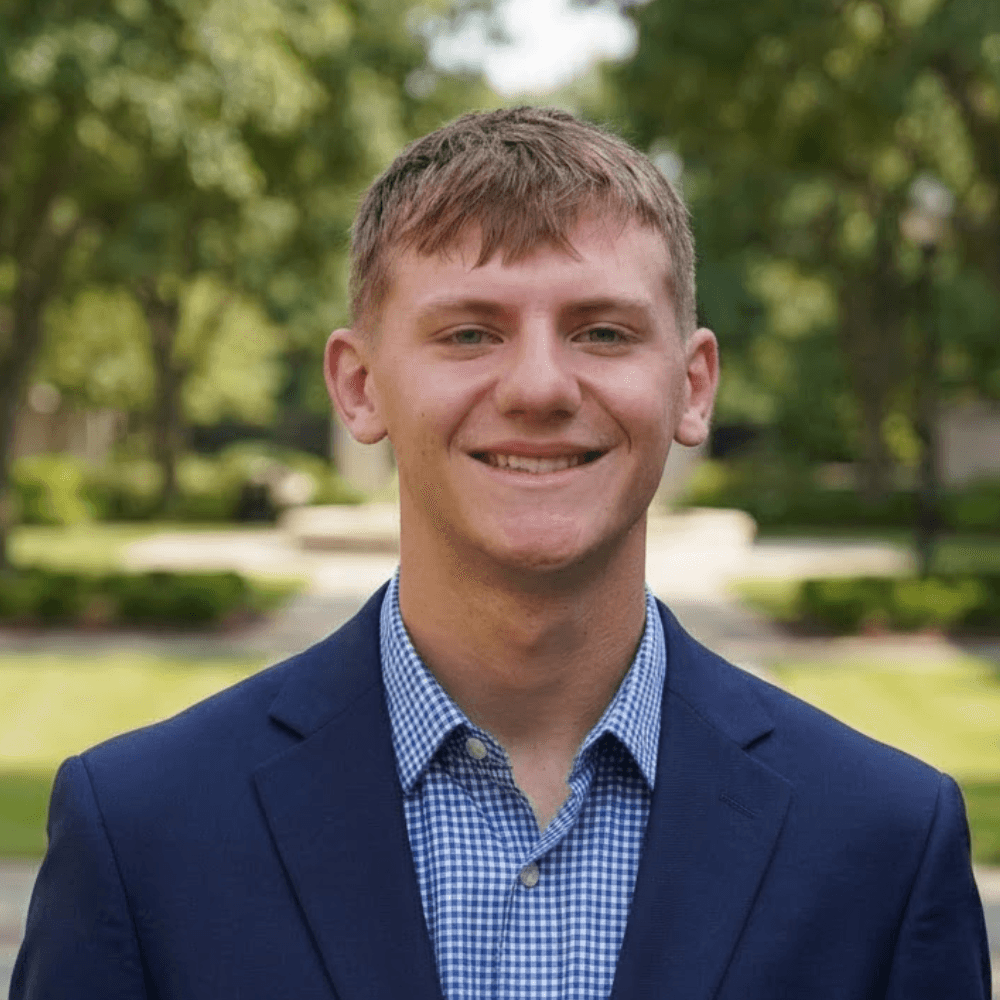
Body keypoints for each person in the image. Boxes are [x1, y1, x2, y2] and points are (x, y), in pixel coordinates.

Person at [12, 107, 990, 999]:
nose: (537, 387)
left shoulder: (884, 843)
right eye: (470, 332)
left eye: (601, 331)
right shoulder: (139, 833)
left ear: (692, 387)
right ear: (359, 386)